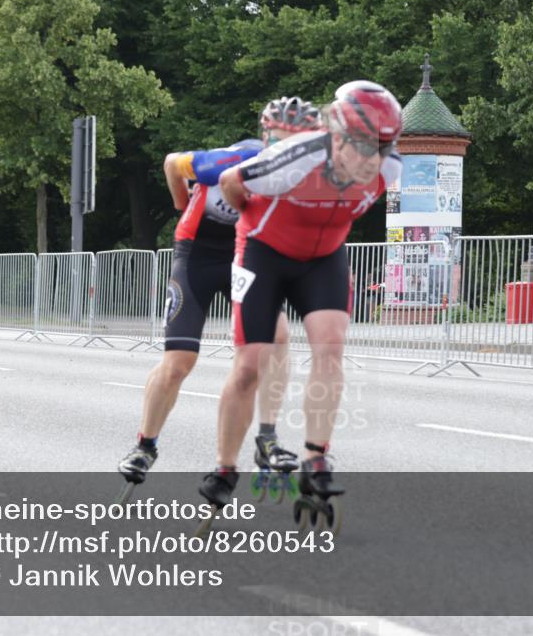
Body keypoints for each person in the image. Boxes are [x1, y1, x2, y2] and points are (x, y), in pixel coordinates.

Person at [199, 81, 403, 509]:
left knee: (331, 348)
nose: (373, 159)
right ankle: (224, 466)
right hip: (263, 250)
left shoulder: (390, 169)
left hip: (323, 257)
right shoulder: (293, 159)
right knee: (251, 363)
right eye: (363, 146)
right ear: (336, 136)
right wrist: (250, 220)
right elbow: (230, 182)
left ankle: (316, 458)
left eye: (383, 147)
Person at [118, 98, 323, 496]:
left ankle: (267, 436)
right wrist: (182, 202)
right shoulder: (229, 161)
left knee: (278, 337)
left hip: (243, 255)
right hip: (196, 254)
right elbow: (171, 162)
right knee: (179, 363)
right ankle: (145, 445)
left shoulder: (301, 178)